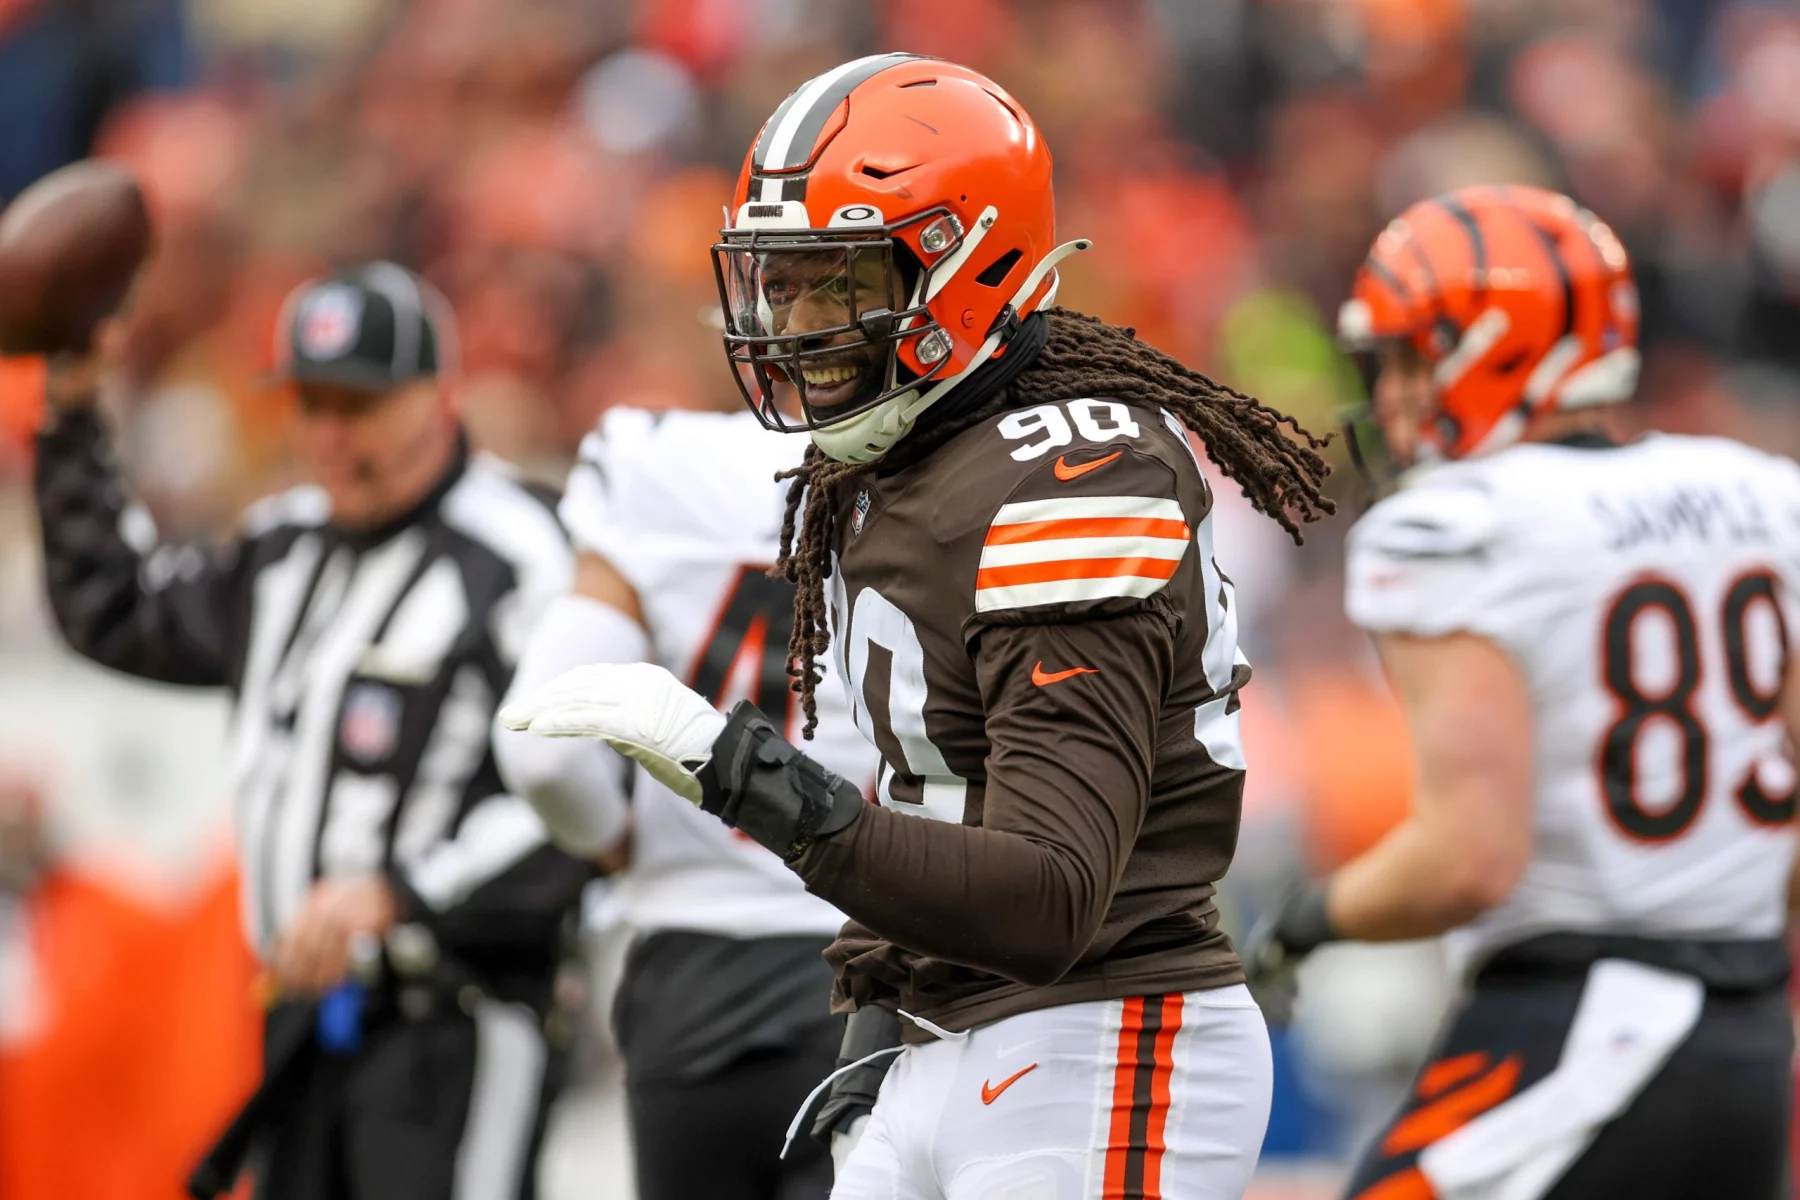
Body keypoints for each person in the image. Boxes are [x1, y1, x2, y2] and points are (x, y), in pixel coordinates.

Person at [503, 54, 1336, 1198]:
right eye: (780, 284)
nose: (797, 322)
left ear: (967, 266)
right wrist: (874, 1021)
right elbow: (926, 797)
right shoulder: (897, 465)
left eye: (838, 282)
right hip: (946, 1039)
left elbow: (1047, 893)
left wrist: (740, 774)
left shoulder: (1072, 478)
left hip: (1105, 1029)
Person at [1246, 184, 1799, 1199]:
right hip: (1753, 1034)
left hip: (1587, 1023)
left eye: (1410, 358)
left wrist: (1306, 921)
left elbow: (1469, 858)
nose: (1395, 395)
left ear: (1491, 345)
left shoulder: (1458, 525)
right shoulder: (1760, 493)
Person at [32, 262, 592, 1200]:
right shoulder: (282, 546)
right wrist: (74, 412)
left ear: (438, 393)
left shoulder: (523, 555)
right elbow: (115, 608)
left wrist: (401, 893)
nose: (330, 436)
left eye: (360, 404)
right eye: (311, 402)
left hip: (456, 1020)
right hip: (303, 1023)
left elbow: (588, 799)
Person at [491, 403, 877, 1200]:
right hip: (873, 961)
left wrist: (613, 840)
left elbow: (540, 750)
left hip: (688, 977)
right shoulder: (944, 457)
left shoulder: (660, 468)